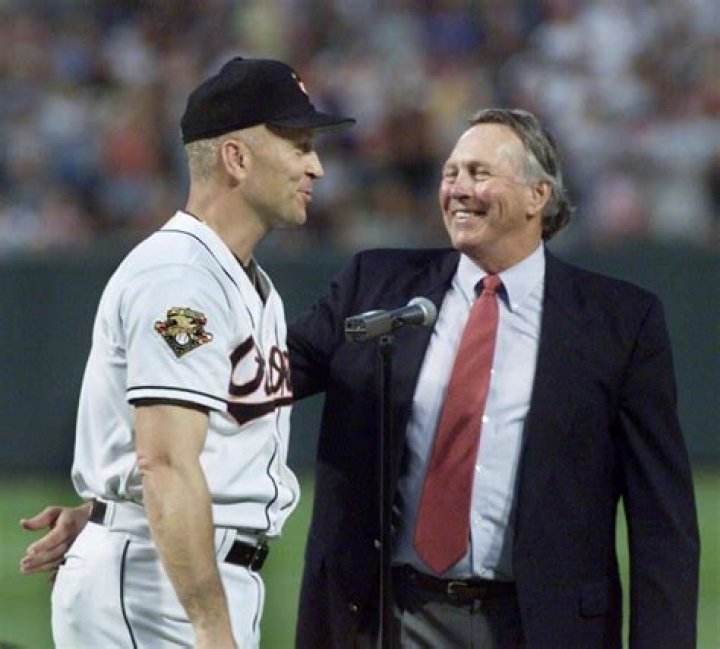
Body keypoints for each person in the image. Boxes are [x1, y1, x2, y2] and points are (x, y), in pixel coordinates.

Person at [21, 109, 699, 648]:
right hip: (389, 618)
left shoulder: (619, 322)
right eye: (450, 172)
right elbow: (226, 395)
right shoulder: (373, 284)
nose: (457, 188)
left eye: (479, 173)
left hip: (539, 624)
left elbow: (661, 519)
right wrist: (118, 513)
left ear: (537, 196)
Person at [18, 56, 353, 649]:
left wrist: (107, 512)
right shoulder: (181, 278)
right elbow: (166, 464)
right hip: (159, 591)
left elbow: (195, 452)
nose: (316, 166)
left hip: (174, 570)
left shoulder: (240, 279)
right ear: (236, 158)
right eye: (299, 145)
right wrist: (210, 625)